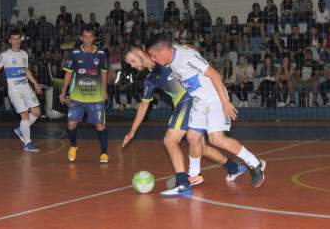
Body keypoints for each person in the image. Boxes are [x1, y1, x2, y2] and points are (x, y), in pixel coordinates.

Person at [147, 34, 266, 196]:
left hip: (214, 98)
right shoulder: (173, 57)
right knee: (192, 137)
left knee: (216, 139)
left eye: (154, 55)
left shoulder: (184, 57)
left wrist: (225, 102)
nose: (153, 59)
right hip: (199, 100)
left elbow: (214, 74)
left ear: (163, 51)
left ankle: (255, 163)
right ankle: (194, 175)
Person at [123, 47, 248, 197]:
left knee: (170, 140)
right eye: (129, 63)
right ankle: (234, 167)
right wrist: (132, 131)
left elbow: (182, 53)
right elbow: (144, 105)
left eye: (132, 60)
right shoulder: (149, 79)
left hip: (189, 100)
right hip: (187, 103)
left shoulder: (162, 58)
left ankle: (183, 183)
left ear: (139, 53)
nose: (131, 65)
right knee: (199, 148)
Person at [59, 25, 109, 163]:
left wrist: (105, 91)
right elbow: (68, 73)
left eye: (90, 36)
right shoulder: (74, 53)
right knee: (71, 124)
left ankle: (104, 153)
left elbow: (104, 73)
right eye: (85, 37)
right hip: (77, 96)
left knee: (100, 125)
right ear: (81, 38)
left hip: (96, 96)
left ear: (94, 37)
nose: (88, 39)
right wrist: (63, 91)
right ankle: (74, 145)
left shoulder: (101, 53)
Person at [0, 29, 42, 152]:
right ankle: (27, 143)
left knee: (37, 112)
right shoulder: (5, 55)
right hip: (14, 90)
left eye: (18, 38)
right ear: (9, 40)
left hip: (26, 87)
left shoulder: (24, 54)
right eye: (14, 38)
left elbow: (26, 70)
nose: (16, 41)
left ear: (21, 39)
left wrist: (35, 83)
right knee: (24, 115)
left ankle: (21, 130)